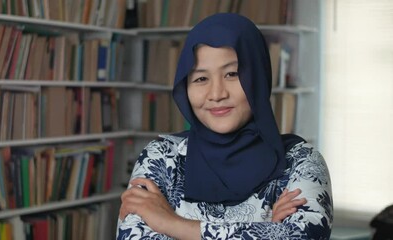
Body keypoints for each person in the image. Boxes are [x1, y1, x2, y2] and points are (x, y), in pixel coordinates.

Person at [116, 13, 333, 239]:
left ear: (258, 77)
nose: (217, 94)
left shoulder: (301, 161)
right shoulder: (160, 157)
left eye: (232, 74)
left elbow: (306, 236)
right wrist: (265, 229)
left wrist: (171, 224)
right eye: (201, 78)